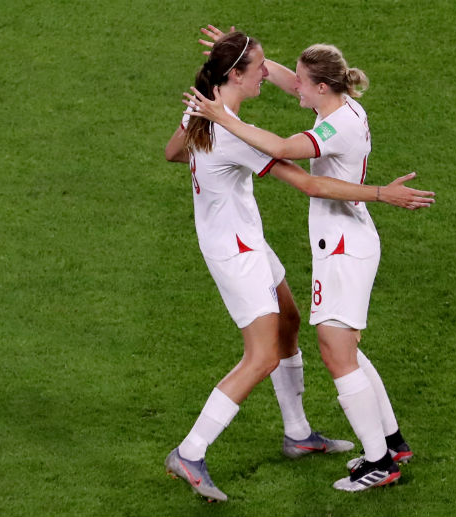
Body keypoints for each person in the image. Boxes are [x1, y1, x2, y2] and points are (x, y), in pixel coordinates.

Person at [164, 30, 435, 501]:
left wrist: (209, 140)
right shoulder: (231, 130)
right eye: (259, 68)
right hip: (237, 252)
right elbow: (308, 183)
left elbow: (173, 152)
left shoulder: (202, 109)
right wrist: (379, 193)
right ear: (235, 76)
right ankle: (191, 451)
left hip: (246, 238)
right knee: (264, 355)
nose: (268, 75)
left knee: (290, 322)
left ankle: (298, 433)